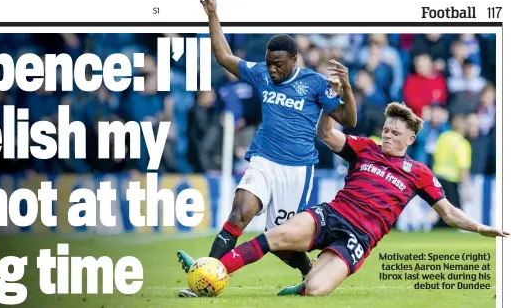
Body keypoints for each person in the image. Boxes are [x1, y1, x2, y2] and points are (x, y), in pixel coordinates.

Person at [179, 102, 508, 297]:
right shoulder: (365, 147)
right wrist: (329, 102)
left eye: (395, 132)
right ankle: (210, 271)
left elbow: (448, 212)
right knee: (276, 236)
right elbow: (325, 134)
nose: (388, 135)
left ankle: (304, 284)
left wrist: (480, 227)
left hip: (360, 237)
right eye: (386, 129)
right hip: (332, 214)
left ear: (411, 137)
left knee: (317, 291)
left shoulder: (418, 172)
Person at [176, 0, 358, 297]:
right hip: (263, 160)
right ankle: (205, 277)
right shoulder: (260, 73)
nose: (272, 70)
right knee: (239, 214)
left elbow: (348, 119)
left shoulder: (313, 83)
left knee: (281, 244)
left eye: (278, 65)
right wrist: (212, 15)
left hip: (297, 169)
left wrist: (348, 88)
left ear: (294, 61)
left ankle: (309, 272)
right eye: (269, 63)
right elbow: (224, 57)